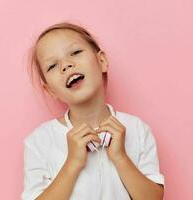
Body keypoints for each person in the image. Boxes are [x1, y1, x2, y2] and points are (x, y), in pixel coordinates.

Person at [21, 21, 165, 200]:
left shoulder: (137, 129)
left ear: (102, 61)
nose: (66, 65)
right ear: (50, 90)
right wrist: (72, 163)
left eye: (75, 52)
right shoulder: (39, 142)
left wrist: (120, 157)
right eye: (52, 66)